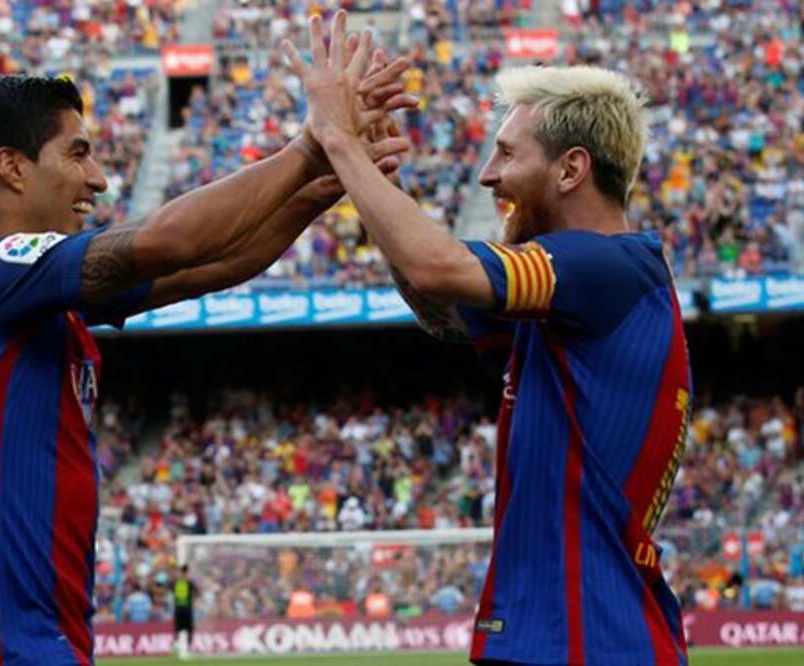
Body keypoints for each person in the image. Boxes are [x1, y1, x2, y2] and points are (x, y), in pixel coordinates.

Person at [0, 69, 415, 664]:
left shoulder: (26, 295)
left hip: (26, 643)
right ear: (11, 167)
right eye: (77, 154)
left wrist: (325, 184)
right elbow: (169, 240)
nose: (98, 178)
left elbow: (214, 264)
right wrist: (311, 146)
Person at [285, 11, 692, 665]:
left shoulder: (606, 266)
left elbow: (437, 266)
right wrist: (380, 181)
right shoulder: (578, 293)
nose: (486, 175)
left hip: (589, 639)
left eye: (506, 153)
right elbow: (438, 305)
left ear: (571, 169)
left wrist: (338, 138)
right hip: (559, 634)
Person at [172, 565, 197, 659]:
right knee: (189, 629)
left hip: (178, 609)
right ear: (187, 572)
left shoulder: (176, 583)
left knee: (178, 629)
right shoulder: (189, 583)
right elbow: (196, 591)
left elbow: (167, 588)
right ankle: (187, 649)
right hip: (187, 610)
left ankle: (178, 645)